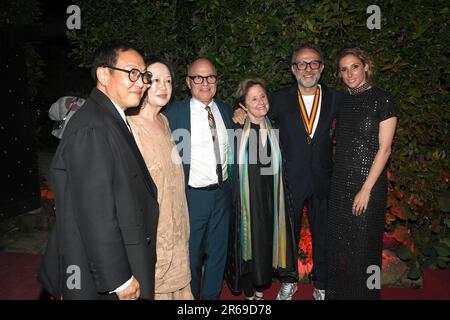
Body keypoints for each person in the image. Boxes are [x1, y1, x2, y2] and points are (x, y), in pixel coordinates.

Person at [38, 42, 160, 300]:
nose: (142, 82)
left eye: (144, 75)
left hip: (128, 250)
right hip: (107, 274)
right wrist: (118, 279)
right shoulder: (93, 126)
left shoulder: (110, 117)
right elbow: (96, 214)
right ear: (103, 75)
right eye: (132, 73)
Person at [234, 45, 342, 300]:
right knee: (287, 235)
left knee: (323, 235)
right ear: (294, 69)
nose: (308, 68)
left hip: (323, 180)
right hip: (289, 181)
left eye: (314, 63)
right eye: (302, 64)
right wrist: (239, 112)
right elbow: (257, 114)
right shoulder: (279, 98)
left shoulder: (337, 98)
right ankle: (289, 279)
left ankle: (322, 284)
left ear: (322, 67)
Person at [326, 47, 397, 300]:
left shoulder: (383, 99)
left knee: (364, 247)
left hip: (369, 184)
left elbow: (385, 149)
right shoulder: (340, 101)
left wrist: (366, 189)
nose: (349, 73)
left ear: (365, 66)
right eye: (344, 69)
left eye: (354, 66)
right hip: (340, 183)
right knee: (340, 247)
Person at [164, 58, 233, 300]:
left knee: (218, 254)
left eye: (210, 77)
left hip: (223, 194)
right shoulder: (172, 114)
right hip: (191, 197)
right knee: (191, 256)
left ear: (217, 80)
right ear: (188, 82)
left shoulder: (226, 111)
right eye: (198, 78)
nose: (205, 83)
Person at [225, 78, 298, 300]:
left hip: (272, 200)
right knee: (249, 242)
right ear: (243, 105)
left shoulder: (275, 126)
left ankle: (260, 287)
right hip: (247, 200)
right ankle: (250, 290)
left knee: (266, 242)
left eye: (263, 96)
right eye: (253, 98)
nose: (260, 102)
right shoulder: (236, 129)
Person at [126, 58, 193, 300]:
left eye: (167, 81)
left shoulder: (165, 122)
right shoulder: (130, 128)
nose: (163, 86)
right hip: (152, 236)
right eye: (154, 80)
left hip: (176, 228)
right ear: (142, 82)